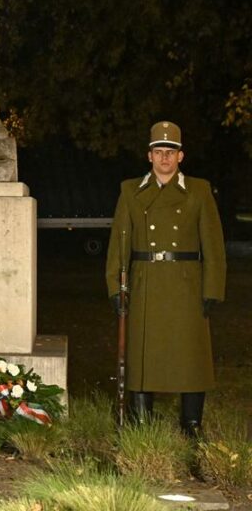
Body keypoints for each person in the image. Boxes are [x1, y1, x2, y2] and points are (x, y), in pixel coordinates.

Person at [105, 121, 226, 436]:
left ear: (181, 156)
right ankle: (142, 422)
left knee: (191, 355)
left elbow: (213, 244)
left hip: (186, 283)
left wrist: (212, 287)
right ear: (149, 156)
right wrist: (115, 287)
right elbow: (119, 243)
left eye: (170, 152)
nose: (164, 159)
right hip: (146, 280)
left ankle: (192, 423)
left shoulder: (198, 190)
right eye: (159, 151)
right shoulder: (131, 191)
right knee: (143, 355)